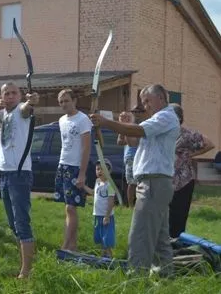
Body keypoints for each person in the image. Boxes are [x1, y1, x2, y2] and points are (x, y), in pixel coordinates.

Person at [90, 84, 180, 276]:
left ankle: (136, 278)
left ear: (162, 98)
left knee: (141, 234)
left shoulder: (166, 116)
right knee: (159, 237)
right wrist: (123, 126)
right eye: (143, 101)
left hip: (154, 183)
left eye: (148, 100)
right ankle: (165, 277)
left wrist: (106, 122)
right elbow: (132, 140)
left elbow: (137, 131)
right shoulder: (157, 120)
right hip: (153, 183)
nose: (145, 105)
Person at [0, 82, 39, 278]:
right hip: (5, 173)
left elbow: (27, 108)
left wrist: (31, 102)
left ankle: (26, 272)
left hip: (19, 173)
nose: (11, 96)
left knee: (21, 222)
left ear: (20, 96)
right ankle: (29, 260)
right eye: (7, 93)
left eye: (14, 93)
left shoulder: (22, 112)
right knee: (13, 223)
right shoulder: (4, 113)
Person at [54, 89, 92, 252]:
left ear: (74, 100)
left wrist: (82, 173)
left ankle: (66, 246)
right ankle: (73, 246)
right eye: (61, 101)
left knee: (71, 207)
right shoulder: (62, 120)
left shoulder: (83, 119)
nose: (64, 104)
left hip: (76, 167)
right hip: (63, 165)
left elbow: (86, 147)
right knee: (68, 207)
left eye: (66, 101)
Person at [169, 103, 214, 238]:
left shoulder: (186, 134)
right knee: (166, 215)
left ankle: (176, 245)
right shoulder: (163, 134)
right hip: (166, 180)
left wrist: (191, 154)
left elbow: (210, 144)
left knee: (178, 216)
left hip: (184, 181)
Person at [84, 159, 115, 258]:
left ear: (109, 171)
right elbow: (93, 193)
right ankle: (103, 255)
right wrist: (83, 187)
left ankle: (109, 256)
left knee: (107, 237)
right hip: (97, 215)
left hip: (106, 216)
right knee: (100, 236)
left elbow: (111, 202)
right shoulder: (97, 182)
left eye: (102, 169)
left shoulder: (110, 184)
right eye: (98, 169)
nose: (100, 171)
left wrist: (107, 216)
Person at [117, 106, 145, 208]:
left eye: (139, 111)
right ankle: (131, 206)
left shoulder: (145, 125)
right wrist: (131, 138)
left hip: (142, 156)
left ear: (143, 113)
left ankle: (139, 205)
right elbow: (119, 141)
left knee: (141, 182)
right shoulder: (127, 126)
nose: (136, 113)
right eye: (134, 111)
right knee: (132, 182)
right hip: (131, 156)